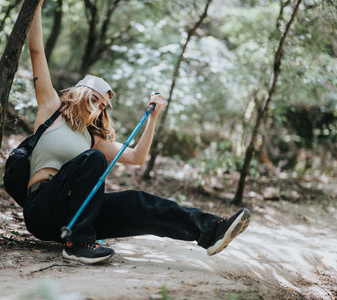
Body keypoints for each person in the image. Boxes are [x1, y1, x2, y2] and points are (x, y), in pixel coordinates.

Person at [24, 0, 250, 264]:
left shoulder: (92, 139)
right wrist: (36, 4)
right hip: (42, 210)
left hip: (71, 215)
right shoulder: (51, 109)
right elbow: (36, 51)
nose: (97, 108)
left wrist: (152, 118)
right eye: (94, 99)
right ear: (79, 92)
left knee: (137, 202)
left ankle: (211, 230)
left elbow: (136, 157)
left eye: (102, 106)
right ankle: (80, 244)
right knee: (94, 160)